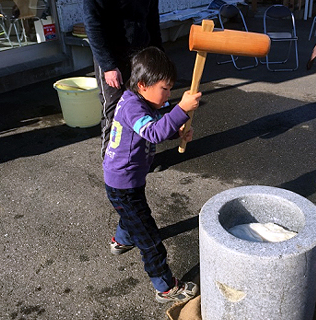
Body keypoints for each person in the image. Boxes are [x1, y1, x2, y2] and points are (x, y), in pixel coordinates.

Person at [103, 47, 202, 303]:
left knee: (131, 214)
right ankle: (165, 286)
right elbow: (153, 132)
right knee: (149, 238)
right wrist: (181, 109)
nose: (168, 95)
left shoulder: (138, 100)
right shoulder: (132, 108)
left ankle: (121, 241)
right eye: (164, 89)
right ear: (143, 85)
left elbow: (157, 128)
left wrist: (177, 132)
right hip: (123, 184)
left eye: (170, 90)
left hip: (127, 181)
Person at [83, 0, 163, 159]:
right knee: (114, 109)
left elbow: (153, 21)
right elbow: (93, 25)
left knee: (145, 105)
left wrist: (159, 58)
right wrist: (109, 66)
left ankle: (142, 156)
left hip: (141, 53)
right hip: (111, 55)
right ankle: (111, 161)